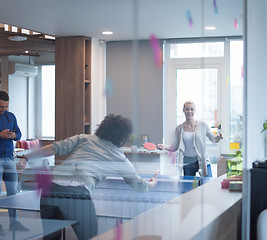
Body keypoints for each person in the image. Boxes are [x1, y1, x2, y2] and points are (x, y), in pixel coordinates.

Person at [18, 114, 158, 240]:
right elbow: (139, 185)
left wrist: (25, 157)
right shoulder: (118, 157)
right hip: (76, 194)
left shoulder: (84, 138)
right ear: (123, 137)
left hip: (50, 190)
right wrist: (152, 183)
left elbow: (55, 147)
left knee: (51, 238)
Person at [158, 101, 222, 177]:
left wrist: (219, 137)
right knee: (188, 187)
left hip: (202, 160)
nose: (189, 111)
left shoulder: (203, 125)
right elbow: (175, 147)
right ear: (183, 110)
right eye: (187, 109)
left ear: (195, 110)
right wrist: (164, 147)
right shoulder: (179, 128)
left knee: (207, 183)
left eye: (192, 109)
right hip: (188, 162)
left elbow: (213, 140)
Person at [0, 90, 29, 236]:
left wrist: (13, 136)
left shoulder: (11, 117)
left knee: (13, 192)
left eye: (5, 106)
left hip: (9, 159)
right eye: (0, 106)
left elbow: (19, 134)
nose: (3, 109)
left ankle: (14, 223)